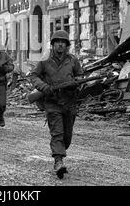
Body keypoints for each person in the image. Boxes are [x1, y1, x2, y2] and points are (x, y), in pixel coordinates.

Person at [30, 30, 83, 179]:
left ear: (67, 45)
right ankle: (58, 162)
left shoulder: (73, 60)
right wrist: (44, 87)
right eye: (57, 42)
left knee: (67, 137)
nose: (60, 45)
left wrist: (76, 84)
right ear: (52, 45)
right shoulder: (44, 61)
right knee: (57, 133)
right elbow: (34, 76)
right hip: (52, 103)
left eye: (63, 42)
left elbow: (80, 76)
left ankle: (60, 152)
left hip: (69, 103)